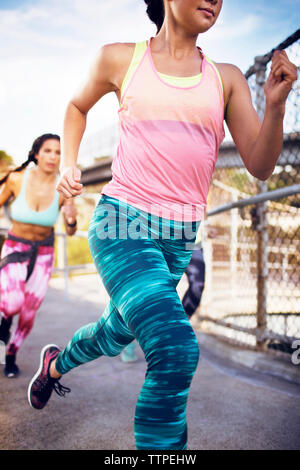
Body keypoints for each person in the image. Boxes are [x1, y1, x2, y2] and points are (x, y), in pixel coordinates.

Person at [27, 0, 297, 450]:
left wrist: (274, 106)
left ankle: (54, 365)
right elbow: (77, 106)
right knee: (175, 349)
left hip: (176, 241)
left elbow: (261, 164)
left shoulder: (225, 78)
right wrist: (69, 164)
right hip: (121, 225)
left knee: (115, 332)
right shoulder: (120, 58)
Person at [0, 134, 77, 377]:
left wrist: (72, 218)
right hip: (15, 249)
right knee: (11, 304)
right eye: (48, 151)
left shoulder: (64, 188)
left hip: (44, 254)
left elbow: (71, 231)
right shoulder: (16, 179)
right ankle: (4, 322)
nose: (53, 156)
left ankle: (10, 355)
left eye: (58, 152)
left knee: (29, 313)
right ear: (36, 154)